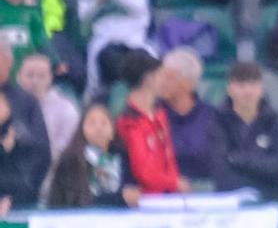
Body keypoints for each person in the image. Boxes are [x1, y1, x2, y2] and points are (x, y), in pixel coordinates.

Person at [213, 60, 278, 198]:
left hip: (270, 202)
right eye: (241, 85)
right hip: (229, 205)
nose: (248, 91)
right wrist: (261, 167)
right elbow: (221, 173)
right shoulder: (217, 123)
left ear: (261, 88)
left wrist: (239, 159)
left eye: (253, 84)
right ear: (229, 89)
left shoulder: (275, 123)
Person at [46, 101, 137, 207]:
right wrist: (119, 198)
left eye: (104, 123)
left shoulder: (122, 158)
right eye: (92, 123)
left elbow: (131, 190)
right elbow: (77, 201)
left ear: (112, 131)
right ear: (82, 129)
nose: (98, 128)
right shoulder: (71, 161)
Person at [113, 54, 182, 194]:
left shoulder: (160, 114)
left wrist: (175, 183)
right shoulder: (129, 122)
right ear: (148, 79)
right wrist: (173, 183)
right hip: (140, 201)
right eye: (161, 76)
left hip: (167, 195)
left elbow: (168, 157)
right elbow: (143, 172)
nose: (165, 81)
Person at [156, 46, 222, 184]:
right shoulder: (150, 115)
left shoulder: (214, 117)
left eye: (169, 78)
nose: (161, 82)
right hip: (163, 191)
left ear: (189, 84)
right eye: (160, 76)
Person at [0, 44, 49, 212]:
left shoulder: (26, 102)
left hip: (18, 196)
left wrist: (16, 135)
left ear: (9, 62)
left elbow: (41, 152)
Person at [17, 50, 74, 161]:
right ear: (18, 77)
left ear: (50, 78)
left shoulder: (65, 109)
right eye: (29, 75)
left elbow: (66, 148)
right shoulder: (6, 106)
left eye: (41, 76)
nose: (35, 81)